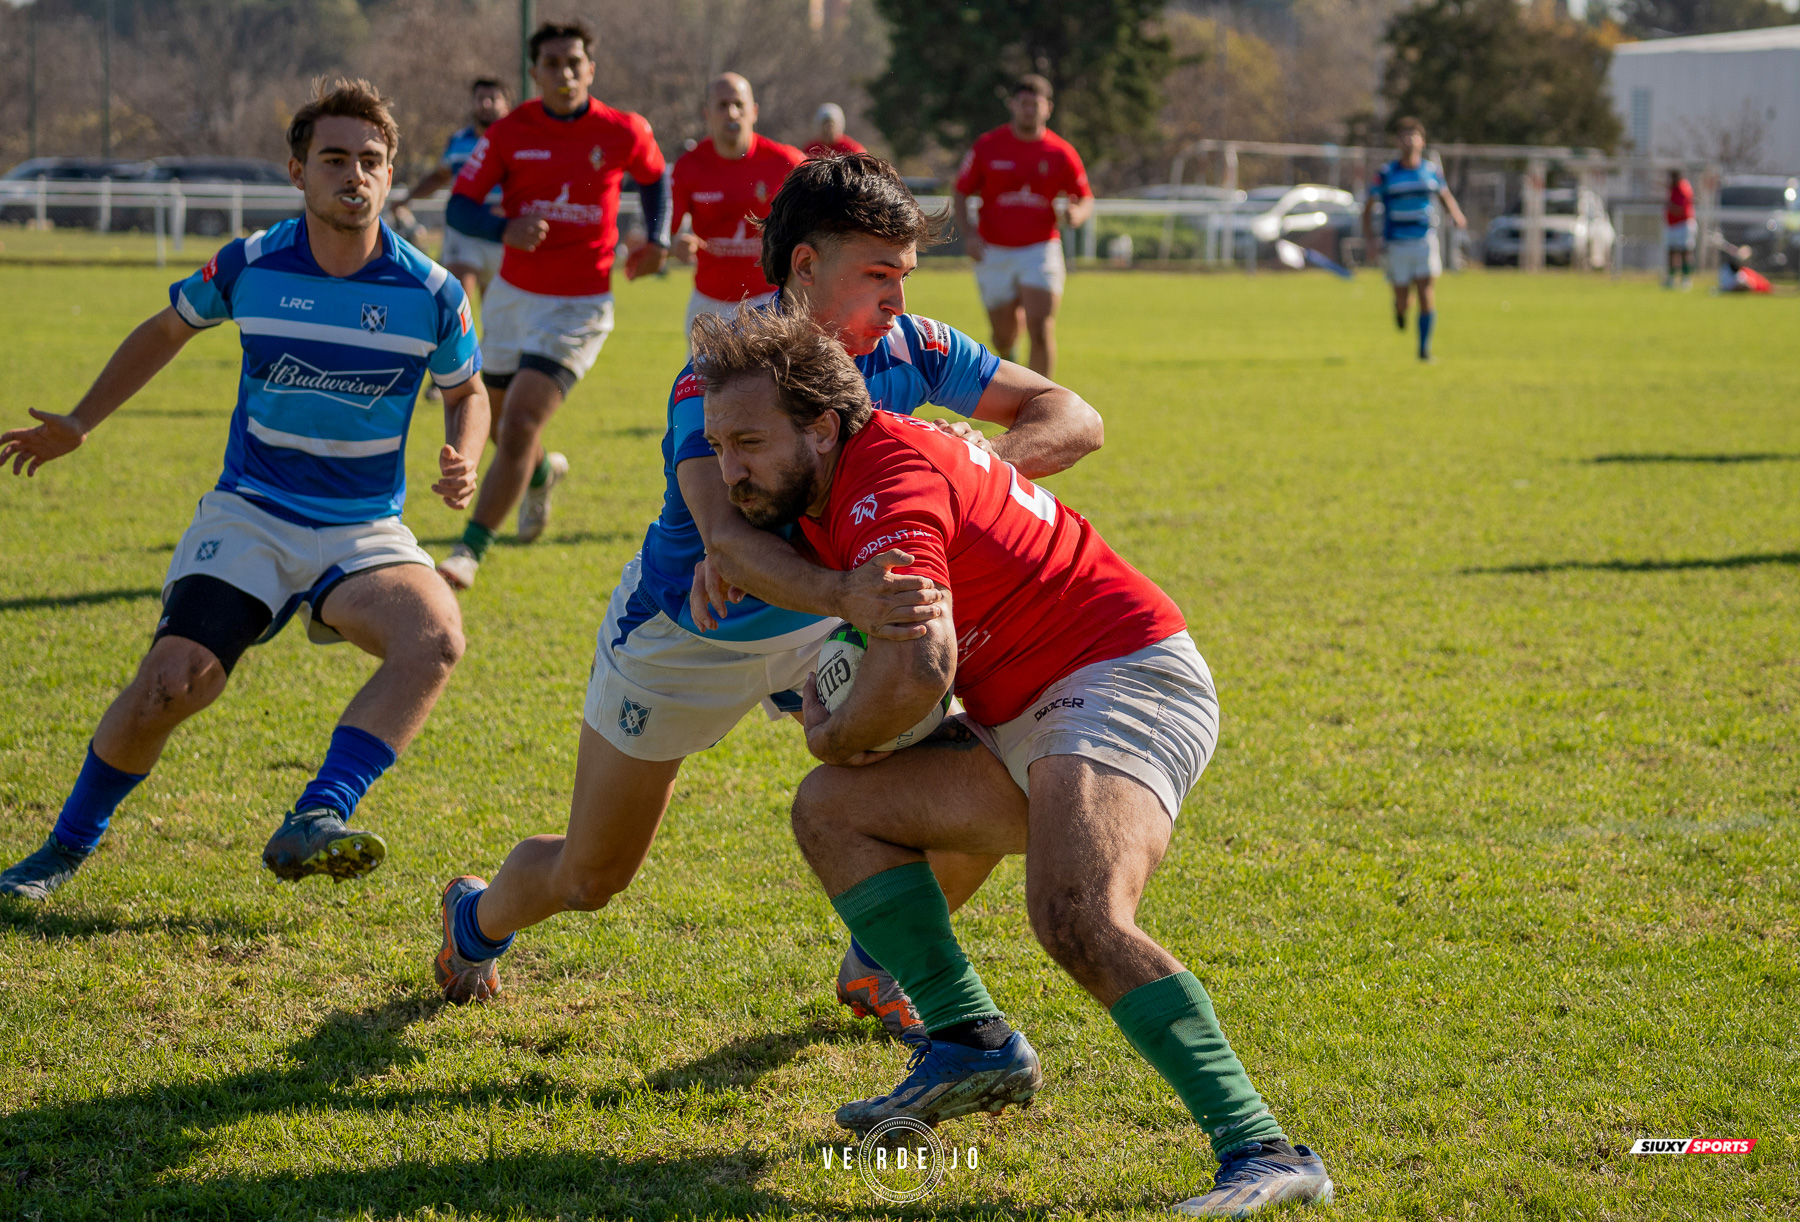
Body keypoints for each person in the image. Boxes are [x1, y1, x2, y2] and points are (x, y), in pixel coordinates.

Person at [431, 155, 1105, 1033]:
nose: (898, 301)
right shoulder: (717, 380)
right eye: (877, 277)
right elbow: (726, 543)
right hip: (687, 638)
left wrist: (967, 473)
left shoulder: (913, 349)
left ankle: (883, 959)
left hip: (830, 626)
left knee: (977, 795)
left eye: (905, 276)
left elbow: (1071, 414)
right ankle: (475, 920)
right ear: (804, 270)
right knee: (592, 877)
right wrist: (837, 586)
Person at [691, 306, 1334, 1218]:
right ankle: (969, 1042)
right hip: (1017, 713)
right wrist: (735, 561)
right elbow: (770, 553)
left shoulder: (888, 485)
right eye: (720, 447)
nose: (732, 471)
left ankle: (1265, 1149)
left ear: (823, 426)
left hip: (1120, 677)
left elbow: (921, 665)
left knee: (1077, 915)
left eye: (748, 443)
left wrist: (837, 728)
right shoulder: (831, 481)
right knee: (831, 809)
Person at [0, 81, 488, 901]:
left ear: (390, 172)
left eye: (371, 161)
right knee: (174, 682)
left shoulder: (433, 293)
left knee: (435, 634)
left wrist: (463, 454)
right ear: (297, 171)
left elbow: (466, 390)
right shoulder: (250, 264)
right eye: (335, 159)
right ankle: (62, 849)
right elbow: (164, 331)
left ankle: (318, 814)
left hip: (364, 527)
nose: (354, 176)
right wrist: (82, 421)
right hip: (252, 514)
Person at [436, 21, 672, 591]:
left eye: (574, 62)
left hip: (580, 305)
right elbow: (459, 208)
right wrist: (503, 226)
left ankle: (470, 550)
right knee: (499, 425)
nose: (564, 73)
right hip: (514, 300)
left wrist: (658, 239)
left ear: (590, 69)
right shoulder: (511, 131)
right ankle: (540, 473)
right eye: (552, 63)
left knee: (517, 421)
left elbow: (656, 178)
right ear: (534, 72)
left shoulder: (623, 130)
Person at [952, 74, 1094, 377]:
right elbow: (961, 190)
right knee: (1002, 336)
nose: (1029, 110)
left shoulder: (1061, 152)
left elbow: (1084, 197)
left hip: (1040, 248)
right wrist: (970, 236)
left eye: (1035, 104)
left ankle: (1042, 401)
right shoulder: (988, 146)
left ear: (1048, 108)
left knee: (1041, 328)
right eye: (1023, 103)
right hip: (994, 249)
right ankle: (1011, 361)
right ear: (1013, 105)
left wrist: (1077, 214)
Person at [670, 74, 805, 338]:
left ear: (753, 111)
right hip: (709, 304)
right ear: (707, 113)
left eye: (738, 104)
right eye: (722, 105)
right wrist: (677, 244)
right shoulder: (689, 166)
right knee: (701, 381)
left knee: (773, 380)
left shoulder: (787, 163)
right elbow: (670, 232)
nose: (732, 113)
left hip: (770, 301)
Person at [392, 78, 512, 308]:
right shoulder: (458, 141)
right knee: (455, 304)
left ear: (506, 106)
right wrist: (407, 198)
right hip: (463, 231)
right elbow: (439, 176)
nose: (485, 104)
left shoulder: (515, 142)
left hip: (499, 232)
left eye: (493, 99)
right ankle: (454, 342)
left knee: (496, 314)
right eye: (480, 98)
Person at [1362, 117, 1466, 363]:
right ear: (1398, 142)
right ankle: (1399, 310)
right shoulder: (1387, 173)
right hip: (1396, 243)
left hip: (1424, 240)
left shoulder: (1430, 170)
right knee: (1402, 299)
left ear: (1422, 141)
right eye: (1404, 136)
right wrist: (1370, 240)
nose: (1409, 140)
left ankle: (1423, 349)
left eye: (1414, 135)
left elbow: (1444, 195)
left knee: (1426, 293)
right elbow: (1367, 207)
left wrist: (1457, 214)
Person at [1665, 168, 1696, 290]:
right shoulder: (1672, 189)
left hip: (1683, 224)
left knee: (1685, 251)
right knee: (1672, 250)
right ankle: (1671, 278)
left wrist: (1670, 207)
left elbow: (1681, 209)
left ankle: (1685, 278)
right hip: (1672, 225)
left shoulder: (1683, 188)